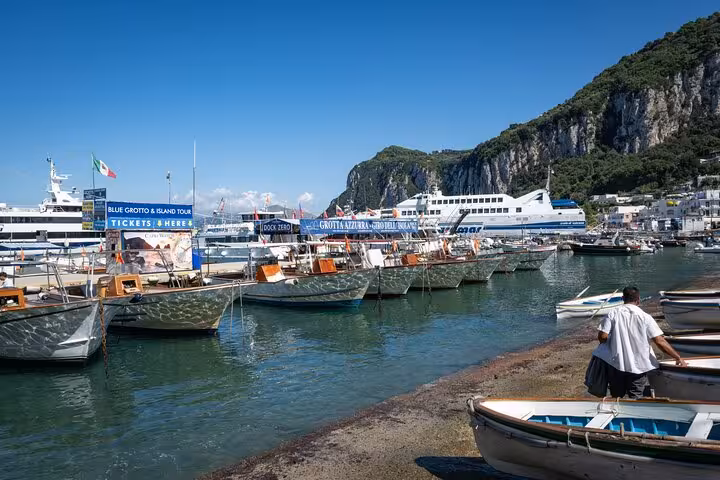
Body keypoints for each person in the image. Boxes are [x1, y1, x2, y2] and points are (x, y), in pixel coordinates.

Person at [592, 286, 687, 399]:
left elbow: (602, 337)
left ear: (623, 298)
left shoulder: (612, 313)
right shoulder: (645, 317)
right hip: (638, 364)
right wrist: (677, 357)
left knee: (616, 396)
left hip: (616, 363)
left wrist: (615, 341)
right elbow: (659, 341)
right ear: (638, 300)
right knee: (636, 396)